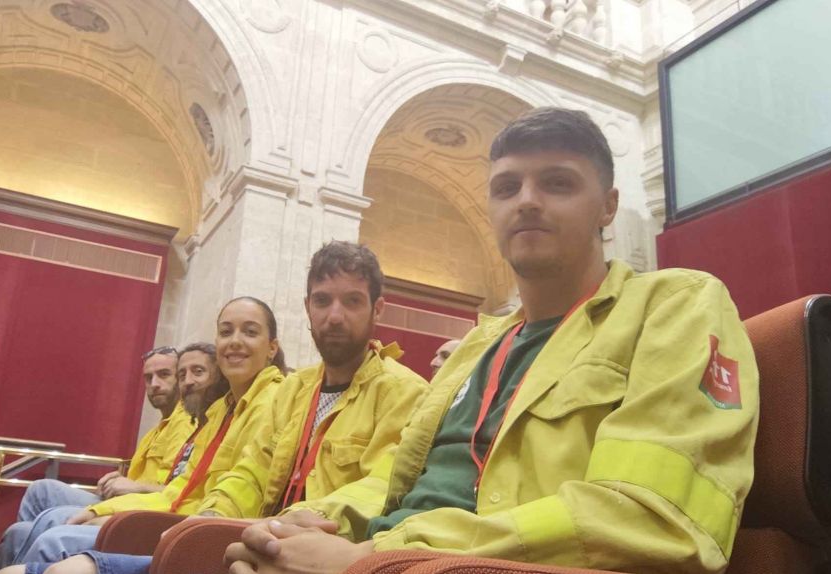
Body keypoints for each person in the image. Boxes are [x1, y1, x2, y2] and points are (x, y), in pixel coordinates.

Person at [224, 107, 759, 574]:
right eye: (507, 188)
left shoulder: (675, 304)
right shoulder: (479, 346)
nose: (526, 201)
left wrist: (382, 557)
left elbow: (657, 514)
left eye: (557, 183)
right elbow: (396, 480)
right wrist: (311, 520)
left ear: (608, 206)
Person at [33, 241, 433, 574]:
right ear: (307, 306)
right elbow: (249, 474)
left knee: (62, 555)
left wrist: (277, 525)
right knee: (60, 564)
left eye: (352, 301)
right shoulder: (294, 389)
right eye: (323, 301)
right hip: (240, 538)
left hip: (308, 553)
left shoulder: (405, 392)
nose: (334, 316)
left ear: (377, 310)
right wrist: (204, 521)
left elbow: (379, 489)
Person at [0, 297, 288, 571]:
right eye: (226, 332)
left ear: (271, 347)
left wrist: (130, 517)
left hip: (203, 530)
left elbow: (238, 490)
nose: (235, 341)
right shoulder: (221, 412)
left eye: (249, 332)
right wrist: (106, 510)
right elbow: (180, 489)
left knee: (53, 537)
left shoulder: (276, 399)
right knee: (42, 523)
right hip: (176, 518)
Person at [0, 345, 201, 573]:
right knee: (40, 493)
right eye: (148, 378)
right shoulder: (158, 428)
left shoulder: (189, 424)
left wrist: (132, 487)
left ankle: (21, 558)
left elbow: (172, 491)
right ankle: (19, 558)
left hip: (141, 512)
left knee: (47, 523)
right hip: (126, 502)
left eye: (164, 375)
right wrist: (120, 479)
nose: (154, 384)